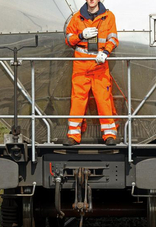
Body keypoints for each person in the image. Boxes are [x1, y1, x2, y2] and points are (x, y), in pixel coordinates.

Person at [64, 0, 119, 146]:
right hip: (81, 66)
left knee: (103, 99)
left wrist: (106, 52)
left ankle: (109, 135)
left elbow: (113, 38)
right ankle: (73, 135)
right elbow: (69, 40)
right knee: (77, 100)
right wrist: (81, 35)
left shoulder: (109, 17)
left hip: (99, 65)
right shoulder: (76, 18)